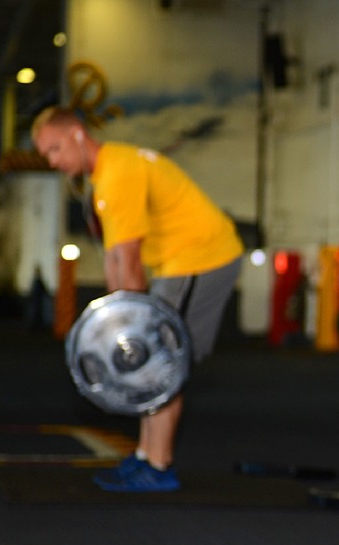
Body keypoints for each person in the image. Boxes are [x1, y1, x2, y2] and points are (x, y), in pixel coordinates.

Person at [32, 106, 244, 493]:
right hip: (177, 262)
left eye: (55, 149)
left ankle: (159, 466)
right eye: (47, 154)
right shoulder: (108, 175)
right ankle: (146, 456)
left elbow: (128, 261)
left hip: (203, 256)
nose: (53, 161)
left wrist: (128, 330)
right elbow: (115, 259)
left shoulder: (117, 174)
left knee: (160, 360)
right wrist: (117, 324)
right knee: (148, 357)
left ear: (78, 135)